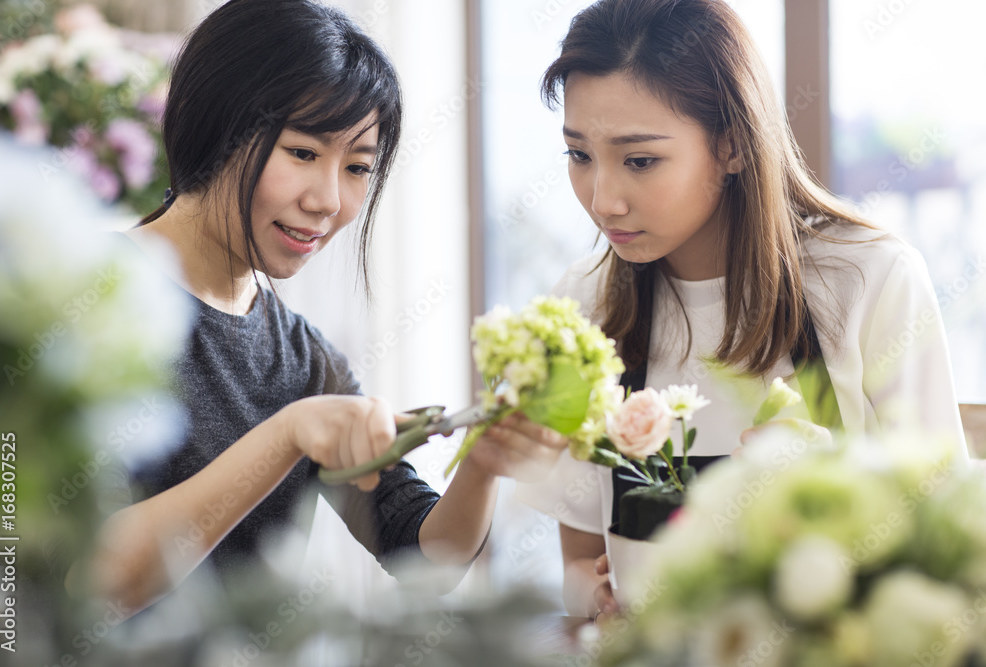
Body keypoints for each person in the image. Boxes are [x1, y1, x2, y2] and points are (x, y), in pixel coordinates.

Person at [65, 0, 567, 615]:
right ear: (217, 126)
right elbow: (88, 577)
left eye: (358, 167)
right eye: (303, 153)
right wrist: (288, 435)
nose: (330, 200)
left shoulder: (306, 359)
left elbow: (427, 559)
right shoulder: (86, 296)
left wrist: (483, 465)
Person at [515, 0, 968, 622]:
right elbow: (579, 560)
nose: (603, 199)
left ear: (731, 145)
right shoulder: (585, 305)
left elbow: (947, 556)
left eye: (640, 160)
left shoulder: (870, 278)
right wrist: (591, 595)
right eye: (579, 155)